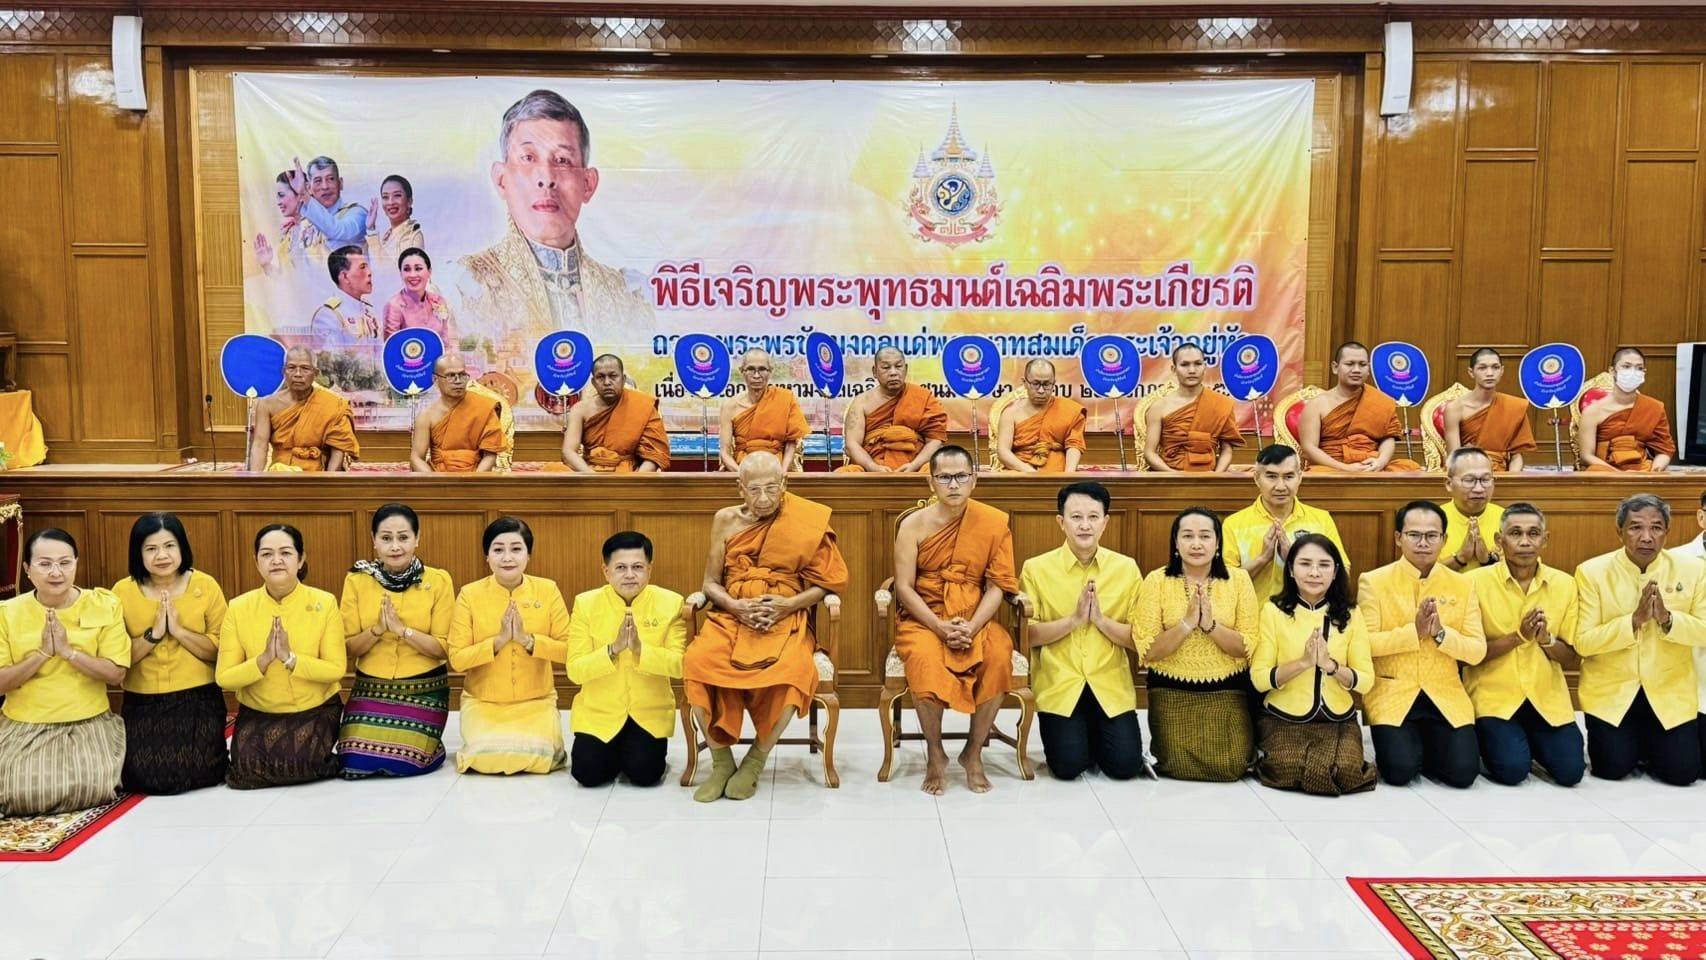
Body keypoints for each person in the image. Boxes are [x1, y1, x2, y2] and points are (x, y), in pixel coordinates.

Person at [683, 452, 848, 801]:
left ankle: (755, 761)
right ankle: (721, 762)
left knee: (794, 671)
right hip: (732, 614)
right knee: (697, 662)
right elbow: (711, 583)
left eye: (772, 489)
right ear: (739, 488)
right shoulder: (724, 520)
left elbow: (829, 584)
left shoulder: (806, 519)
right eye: (754, 490)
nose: (763, 499)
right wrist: (736, 606)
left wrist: (789, 604)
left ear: (785, 484)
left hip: (786, 615)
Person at [454, 89, 654, 350]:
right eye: (528, 158)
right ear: (502, 180)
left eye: (562, 160)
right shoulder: (469, 284)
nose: (546, 177)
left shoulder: (627, 295)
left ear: (588, 183)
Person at [893, 445, 1020, 794]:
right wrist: (939, 627)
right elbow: (903, 587)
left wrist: (972, 626)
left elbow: (998, 586)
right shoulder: (912, 526)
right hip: (925, 618)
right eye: (945, 477)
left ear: (974, 479)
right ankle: (935, 753)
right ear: (930, 482)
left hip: (973, 617)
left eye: (961, 476)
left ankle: (973, 752)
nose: (953, 484)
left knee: (998, 654)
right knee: (924, 660)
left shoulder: (993, 522)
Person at [1574, 494, 1706, 785]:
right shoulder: (1592, 572)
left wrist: (1668, 620)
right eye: (1635, 528)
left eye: (1656, 528)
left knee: (1682, 775)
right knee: (1611, 769)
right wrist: (1633, 621)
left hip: (1669, 691)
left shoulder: (1694, 570)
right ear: (1619, 531)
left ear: (1667, 532)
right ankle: (1638, 744)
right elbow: (1583, 642)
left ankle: (1649, 744)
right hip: (1612, 691)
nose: (1647, 537)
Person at [1018, 481, 1145, 781]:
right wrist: (1074, 620)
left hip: (1109, 681)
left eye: (1093, 517)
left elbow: (1139, 638)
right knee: (1068, 767)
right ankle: (1082, 731)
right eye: (1076, 517)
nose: (1085, 525)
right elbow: (1027, 636)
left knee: (1125, 767)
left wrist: (1100, 621)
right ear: (1061, 522)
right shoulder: (1036, 569)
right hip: (1060, 681)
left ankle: (1095, 729)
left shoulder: (1125, 569)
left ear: (1106, 522)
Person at [0, 530, 128, 817]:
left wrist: (70, 653)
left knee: (92, 787)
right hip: (26, 723)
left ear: (76, 564)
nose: (56, 572)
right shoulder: (7, 613)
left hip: (87, 719)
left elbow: (116, 673)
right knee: (20, 792)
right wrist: (43, 654)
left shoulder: (103, 604)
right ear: (27, 570)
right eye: (44, 564)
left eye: (65, 563)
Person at [1360, 501, 1486, 788]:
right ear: (1398, 538)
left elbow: (1477, 651)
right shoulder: (1374, 582)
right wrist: (1413, 633)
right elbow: (1365, 644)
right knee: (1399, 772)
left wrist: (1441, 635)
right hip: (1394, 691)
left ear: (1444, 540)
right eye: (1414, 535)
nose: (1423, 543)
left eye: (1432, 536)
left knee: (1463, 775)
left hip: (1444, 692)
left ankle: (1429, 745)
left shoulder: (1463, 585)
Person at [1133, 507, 1261, 782]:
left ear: (1217, 544)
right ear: (1176, 544)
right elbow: (1148, 651)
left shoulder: (1239, 580)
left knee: (1232, 766)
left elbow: (1248, 647)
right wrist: (1186, 624)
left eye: (1205, 536)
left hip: (1226, 691)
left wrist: (1210, 626)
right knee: (1175, 765)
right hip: (1172, 691)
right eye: (1187, 536)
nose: (1196, 544)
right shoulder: (1156, 581)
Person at [1463, 503, 1585, 786]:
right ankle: (1500, 741)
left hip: (1545, 697)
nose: (1525, 542)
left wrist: (1546, 640)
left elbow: (1570, 658)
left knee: (1570, 773)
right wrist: (1517, 637)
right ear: (1499, 540)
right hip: (1494, 696)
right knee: (1512, 771)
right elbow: (1468, 656)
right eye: (1515, 533)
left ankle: (1527, 740)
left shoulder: (1564, 584)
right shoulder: (1473, 582)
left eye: (1533, 534)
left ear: (1546, 540)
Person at [216, 524, 346, 789]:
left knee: (299, 762)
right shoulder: (239, 607)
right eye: (266, 554)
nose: (276, 561)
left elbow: (336, 669)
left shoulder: (325, 602)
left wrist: (290, 659)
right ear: (256, 562)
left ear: (301, 559)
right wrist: (263, 659)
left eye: (285, 553)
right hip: (259, 709)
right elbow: (224, 677)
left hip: (313, 707)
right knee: (245, 772)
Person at [1250, 534, 1378, 796]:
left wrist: (1330, 666)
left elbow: (1365, 680)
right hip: (1283, 716)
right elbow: (1259, 678)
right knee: (1289, 768)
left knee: (1348, 773)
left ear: (1335, 572)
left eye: (1324, 565)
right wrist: (1304, 663)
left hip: (1337, 718)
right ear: (1291, 570)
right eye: (1305, 564)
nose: (1314, 572)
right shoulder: (1273, 611)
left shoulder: (1351, 614)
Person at [113, 513, 229, 795]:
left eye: (169, 546)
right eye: (151, 549)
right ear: (138, 553)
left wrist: (179, 632)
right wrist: (153, 634)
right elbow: (117, 657)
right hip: (144, 701)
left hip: (198, 697)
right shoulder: (121, 592)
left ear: (182, 548)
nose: (161, 555)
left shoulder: (206, 585)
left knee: (203, 774)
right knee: (145, 779)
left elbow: (221, 650)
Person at [336, 504, 454, 779]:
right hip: (371, 686)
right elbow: (348, 648)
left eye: (403, 537)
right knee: (353, 761)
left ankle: (428, 739)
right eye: (386, 538)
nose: (395, 546)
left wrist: (403, 631)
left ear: (417, 538)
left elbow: (444, 648)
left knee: (407, 763)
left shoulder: (438, 581)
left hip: (422, 687)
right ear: (374, 541)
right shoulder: (356, 579)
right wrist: (377, 630)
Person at [447, 517, 570, 775]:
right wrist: (498, 641)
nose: (507, 558)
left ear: (529, 555)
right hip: (484, 701)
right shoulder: (469, 594)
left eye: (516, 549)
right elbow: (457, 659)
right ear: (487, 557)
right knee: (484, 758)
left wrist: (528, 640)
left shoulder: (548, 590)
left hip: (535, 700)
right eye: (498, 549)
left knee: (541, 757)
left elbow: (569, 650)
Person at [566, 532, 687, 788]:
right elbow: (575, 670)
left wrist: (642, 651)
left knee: (645, 775)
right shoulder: (585, 604)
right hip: (600, 713)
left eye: (637, 567)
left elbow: (679, 665)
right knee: (588, 776)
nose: (629, 575)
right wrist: (613, 649)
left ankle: (633, 753)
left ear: (649, 570)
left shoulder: (671, 603)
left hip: (648, 713)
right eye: (620, 567)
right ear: (606, 570)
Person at [1221, 444, 1347, 601]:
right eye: (1271, 476)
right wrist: (1262, 560)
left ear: (1300, 477)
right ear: (1256, 478)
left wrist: (1292, 559)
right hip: (1254, 620)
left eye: (1288, 477)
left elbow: (1342, 574)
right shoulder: (1234, 524)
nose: (1280, 486)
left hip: (1305, 618)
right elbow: (1223, 585)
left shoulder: (1321, 520)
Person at [1299, 341, 1422, 473]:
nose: (1356, 370)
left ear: (1368, 369)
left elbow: (1387, 438)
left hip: (1371, 464)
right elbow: (1309, 449)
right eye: (1350, 364)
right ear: (1335, 367)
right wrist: (1346, 468)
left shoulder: (1381, 401)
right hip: (1332, 466)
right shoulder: (1317, 405)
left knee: (1410, 468)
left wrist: (1381, 462)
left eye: (1362, 364)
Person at [247, 346, 360, 472]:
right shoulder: (267, 404)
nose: (298, 374)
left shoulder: (334, 404)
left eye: (305, 368)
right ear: (284, 371)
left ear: (316, 373)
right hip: (280, 473)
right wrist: (255, 481)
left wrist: (328, 482)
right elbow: (259, 445)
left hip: (318, 473)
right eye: (291, 368)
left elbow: (338, 448)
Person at [836, 347, 948, 473]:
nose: (893, 372)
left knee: (937, 472)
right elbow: (852, 445)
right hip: (872, 466)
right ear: (874, 371)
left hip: (916, 465)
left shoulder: (924, 397)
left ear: (906, 369)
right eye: (886, 367)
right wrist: (873, 467)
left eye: (898, 366)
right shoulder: (861, 402)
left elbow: (935, 441)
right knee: (845, 474)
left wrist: (914, 465)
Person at [1142, 344, 1244, 472]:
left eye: (1197, 364)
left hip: (1210, 479)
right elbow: (1149, 453)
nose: (1192, 370)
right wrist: (1174, 477)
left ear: (1204, 367)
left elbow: (1227, 450)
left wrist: (1215, 477)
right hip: (1169, 480)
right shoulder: (1159, 407)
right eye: (1184, 365)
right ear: (1174, 369)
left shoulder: (1221, 403)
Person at [562, 354, 669, 473]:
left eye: (613, 376)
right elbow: (568, 451)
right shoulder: (580, 409)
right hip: (590, 471)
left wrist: (637, 481)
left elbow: (654, 454)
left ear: (623, 379)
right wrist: (591, 477)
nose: (607, 382)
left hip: (631, 475)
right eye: (600, 377)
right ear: (593, 382)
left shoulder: (642, 405)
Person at [1580, 347, 1675, 472]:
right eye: (1626, 366)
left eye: (1639, 368)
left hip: (1642, 471)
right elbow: (1586, 456)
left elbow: (1664, 450)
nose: (1633, 372)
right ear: (1612, 371)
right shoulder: (1592, 412)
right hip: (1606, 471)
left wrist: (1653, 472)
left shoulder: (1654, 407)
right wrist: (1620, 475)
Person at [1443, 348, 1536, 472]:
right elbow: (1454, 457)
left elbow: (1517, 457)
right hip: (1468, 473)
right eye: (1482, 368)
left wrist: (1510, 481)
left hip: (1502, 475)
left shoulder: (1514, 406)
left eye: (1495, 367)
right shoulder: (1455, 408)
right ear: (1471, 372)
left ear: (1502, 371)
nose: (1490, 373)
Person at [411, 354, 506, 473]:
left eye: (462, 375)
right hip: (439, 477)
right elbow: (416, 458)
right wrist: (434, 483)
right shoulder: (427, 416)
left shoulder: (484, 407)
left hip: (476, 477)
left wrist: (473, 482)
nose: (458, 381)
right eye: (451, 376)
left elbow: (490, 455)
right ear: (435, 380)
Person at [719, 349, 808, 471]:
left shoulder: (785, 399)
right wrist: (742, 475)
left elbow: (790, 444)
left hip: (777, 467)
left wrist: (781, 474)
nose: (756, 376)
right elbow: (724, 452)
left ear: (770, 372)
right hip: (743, 468)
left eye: (762, 369)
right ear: (742, 372)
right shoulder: (730, 406)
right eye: (750, 369)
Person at [996, 359, 1087, 473]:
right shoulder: (1011, 412)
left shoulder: (1070, 410)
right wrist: (1031, 473)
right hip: (1020, 470)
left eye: (1047, 384)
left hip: (1058, 469)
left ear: (1054, 383)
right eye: (1035, 384)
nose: (1041, 390)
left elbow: (1074, 445)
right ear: (1024, 383)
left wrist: (1068, 475)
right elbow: (1003, 451)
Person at [1439, 447, 1504, 573]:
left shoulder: (1507, 519)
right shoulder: (1433, 520)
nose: (1479, 489)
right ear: (1448, 484)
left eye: (1485, 480)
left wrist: (1488, 560)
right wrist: (1459, 558)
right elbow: (1419, 575)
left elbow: (1525, 571)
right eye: (1469, 480)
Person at [287, 154, 370, 247]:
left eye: (330, 179)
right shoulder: (307, 224)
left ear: (340, 183)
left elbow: (339, 231)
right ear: (309, 188)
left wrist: (304, 195)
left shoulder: (358, 213)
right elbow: (299, 260)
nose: (325, 186)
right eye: (318, 181)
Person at [308, 244, 379, 348]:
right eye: (362, 267)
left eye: (368, 266)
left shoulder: (368, 309)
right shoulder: (328, 315)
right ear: (345, 277)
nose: (369, 272)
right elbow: (332, 361)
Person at [254, 171, 324, 276]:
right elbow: (287, 282)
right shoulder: (287, 235)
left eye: (281, 195)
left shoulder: (321, 227)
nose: (278, 202)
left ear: (301, 194)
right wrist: (266, 265)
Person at [383, 247, 455, 342]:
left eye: (418, 268)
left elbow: (445, 340)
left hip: (440, 356)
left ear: (429, 272)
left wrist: (448, 356)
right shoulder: (394, 306)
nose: (413, 275)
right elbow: (391, 348)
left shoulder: (438, 301)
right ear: (401, 274)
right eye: (407, 269)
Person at [371, 174, 425, 269]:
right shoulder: (389, 234)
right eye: (385, 197)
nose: (390, 202)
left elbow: (393, 273)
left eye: (397, 195)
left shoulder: (412, 236)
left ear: (409, 201)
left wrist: (372, 233)